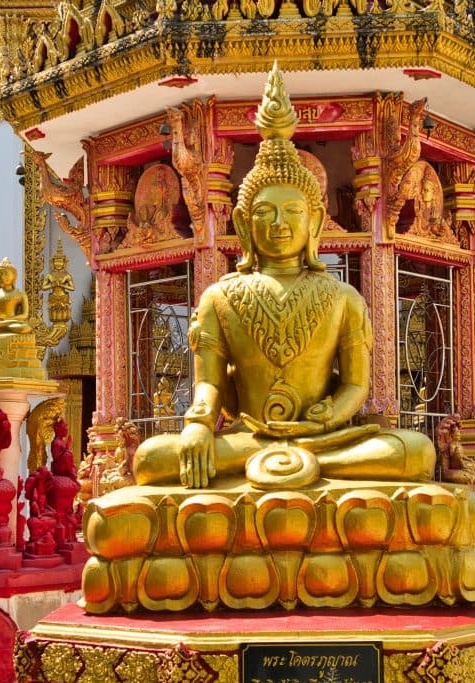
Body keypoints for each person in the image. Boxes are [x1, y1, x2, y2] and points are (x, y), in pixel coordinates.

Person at [132, 63, 434, 489]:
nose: (279, 224)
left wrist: (327, 416)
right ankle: (299, 471)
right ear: (243, 223)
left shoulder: (344, 297)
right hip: (248, 436)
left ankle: (302, 466)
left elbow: (355, 385)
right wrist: (199, 424)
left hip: (324, 438)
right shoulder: (219, 298)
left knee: (414, 450)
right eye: (264, 212)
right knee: (150, 459)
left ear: (314, 222)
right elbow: (209, 385)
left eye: (293, 212)